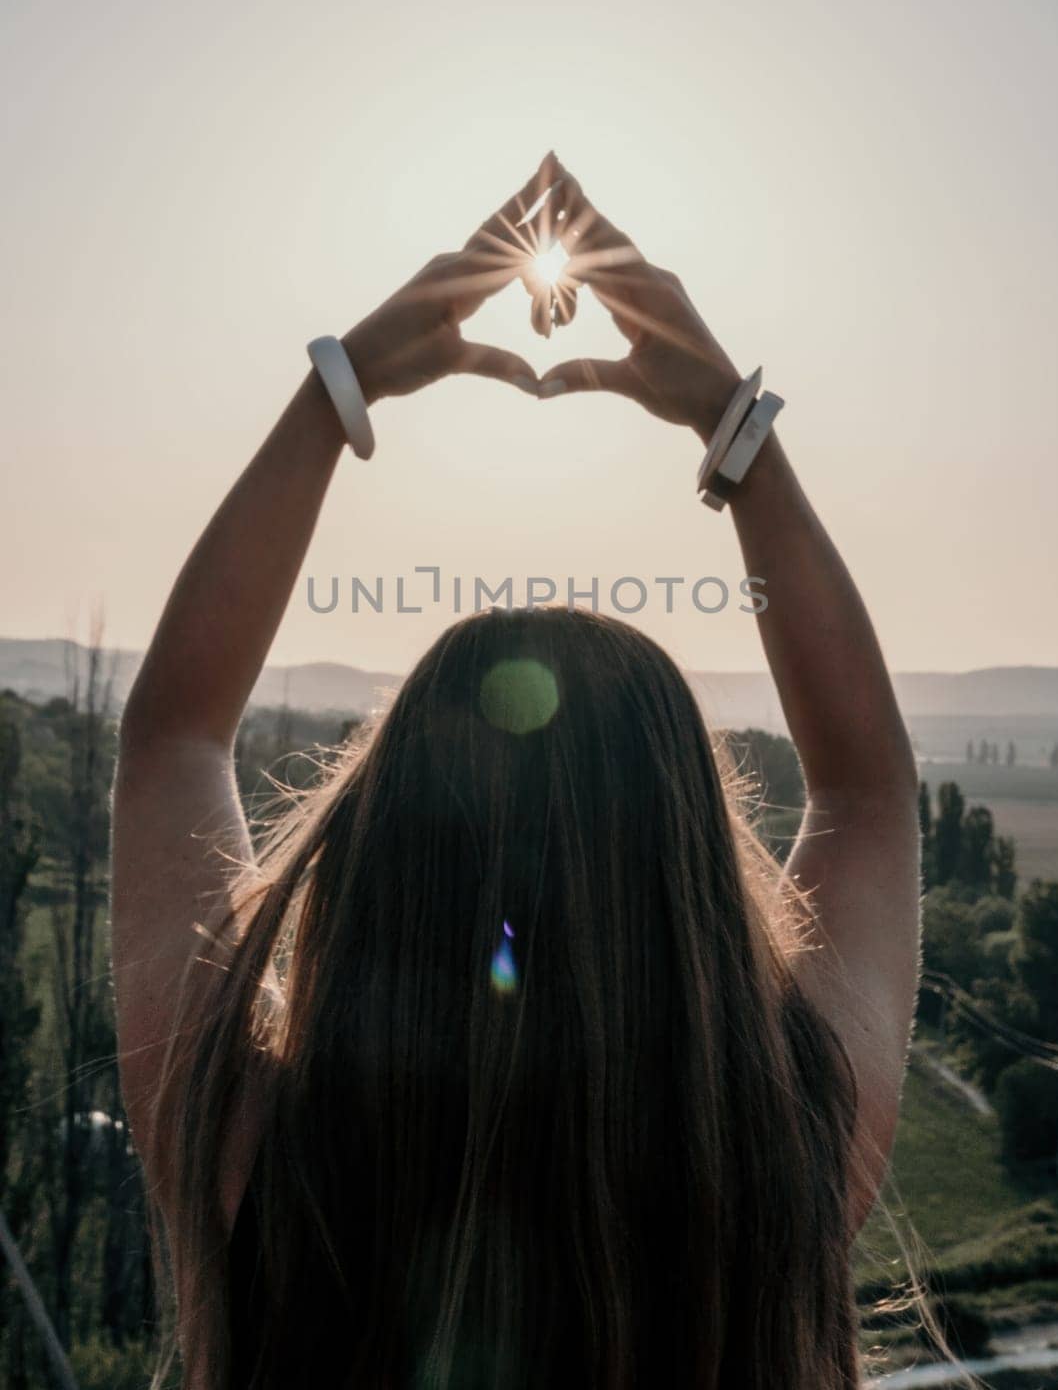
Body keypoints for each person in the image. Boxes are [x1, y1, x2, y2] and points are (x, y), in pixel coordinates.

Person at [111, 154, 920, 1389]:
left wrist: (339, 391)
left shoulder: (254, 1159)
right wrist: (728, 420)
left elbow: (171, 735)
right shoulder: (785, 1168)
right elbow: (864, 787)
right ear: (687, 875)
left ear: (381, 847)